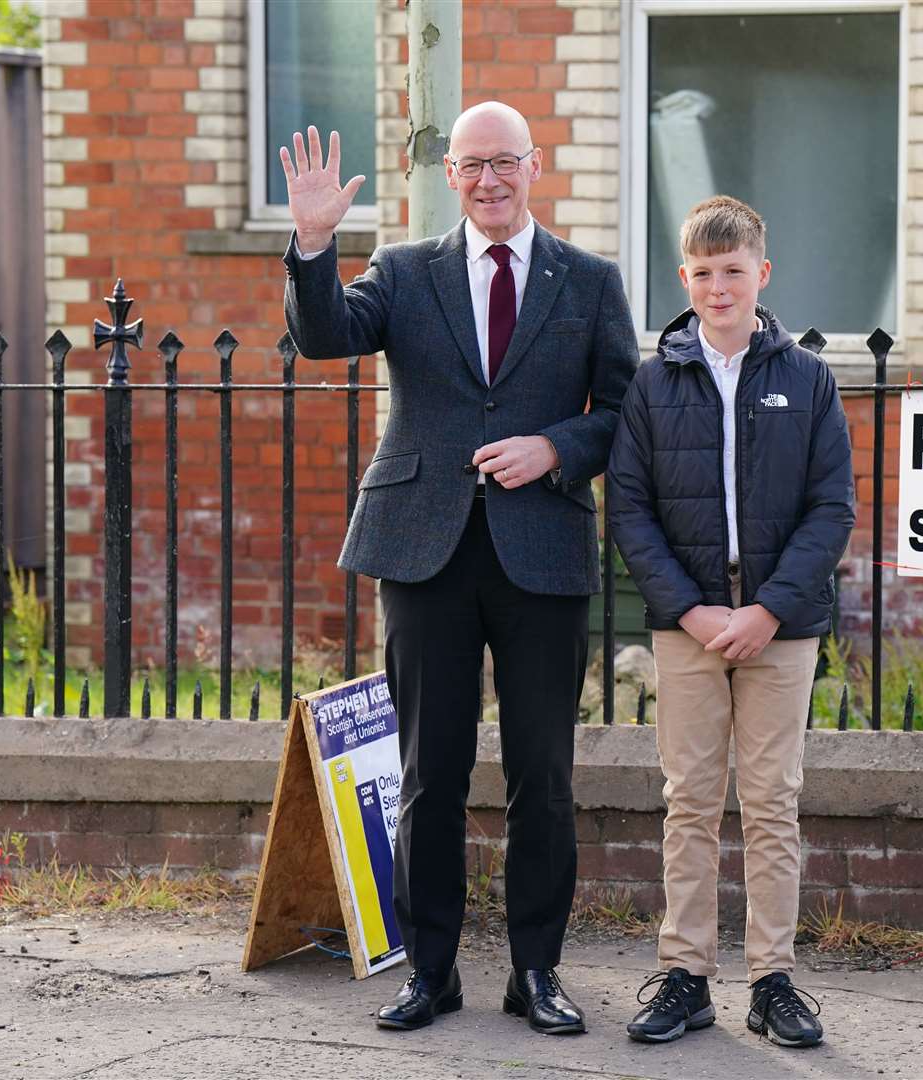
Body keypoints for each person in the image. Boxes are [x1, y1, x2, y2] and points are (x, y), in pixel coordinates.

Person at [278, 103, 639, 1035]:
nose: (489, 180)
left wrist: (555, 449)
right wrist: (313, 244)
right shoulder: (404, 270)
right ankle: (430, 972)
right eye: (473, 164)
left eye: (505, 163)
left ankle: (537, 973)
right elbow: (326, 338)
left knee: (543, 778)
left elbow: (627, 411)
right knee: (429, 773)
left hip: (541, 552)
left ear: (535, 166)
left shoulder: (590, 281)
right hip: (423, 548)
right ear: (451, 174)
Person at [606, 196, 854, 1048]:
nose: (719, 287)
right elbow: (630, 511)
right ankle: (686, 974)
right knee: (690, 801)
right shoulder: (653, 382)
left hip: (779, 630)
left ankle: (773, 980)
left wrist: (767, 610)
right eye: (703, 274)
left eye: (734, 271)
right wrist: (693, 608)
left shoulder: (808, 380)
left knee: (773, 801)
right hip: (689, 626)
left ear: (762, 275)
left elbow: (832, 511)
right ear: (685, 279)